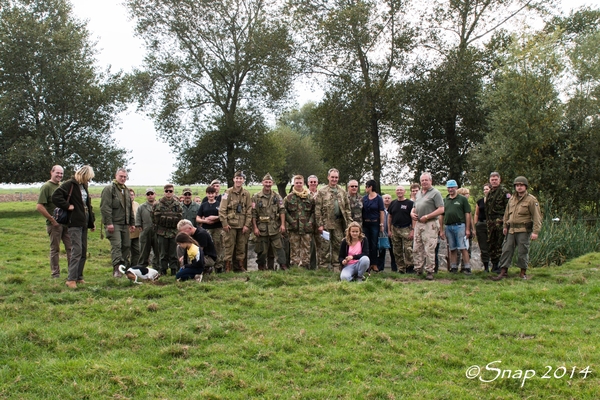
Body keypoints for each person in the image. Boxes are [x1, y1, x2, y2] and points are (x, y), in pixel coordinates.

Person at [52, 165, 96, 289]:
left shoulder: (84, 186)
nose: (89, 181)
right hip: (74, 222)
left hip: (84, 221)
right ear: (84, 175)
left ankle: (79, 277)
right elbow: (55, 197)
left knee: (83, 251)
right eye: (89, 178)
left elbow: (88, 205)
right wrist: (67, 206)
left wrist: (91, 222)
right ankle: (70, 279)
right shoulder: (69, 184)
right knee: (76, 250)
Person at [493, 176, 542, 280]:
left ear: (525, 186)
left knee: (522, 251)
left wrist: (535, 232)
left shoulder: (531, 200)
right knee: (506, 250)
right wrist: (505, 226)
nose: (519, 187)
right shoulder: (512, 199)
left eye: (521, 185)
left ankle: (523, 272)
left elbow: (537, 216)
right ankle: (503, 272)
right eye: (517, 185)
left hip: (523, 230)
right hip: (511, 229)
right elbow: (506, 214)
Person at [36, 165, 72, 278]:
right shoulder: (46, 187)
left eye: (61, 173)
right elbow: (39, 206)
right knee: (55, 249)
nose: (59, 175)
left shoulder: (62, 186)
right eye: (57, 173)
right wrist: (52, 220)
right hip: (54, 224)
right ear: (51, 172)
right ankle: (55, 274)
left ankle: (72, 273)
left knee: (71, 248)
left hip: (66, 223)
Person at [100, 168, 135, 277]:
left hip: (125, 224)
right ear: (116, 176)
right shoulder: (109, 189)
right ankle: (116, 269)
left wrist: (132, 223)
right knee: (117, 245)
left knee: (126, 245)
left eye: (125, 177)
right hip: (114, 223)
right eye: (121, 176)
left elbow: (129, 208)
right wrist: (109, 222)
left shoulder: (126, 190)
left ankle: (123, 267)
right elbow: (105, 207)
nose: (123, 178)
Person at [315, 168, 352, 270]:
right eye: (332, 177)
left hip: (338, 223)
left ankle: (337, 266)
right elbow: (317, 210)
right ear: (328, 177)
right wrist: (320, 224)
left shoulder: (342, 192)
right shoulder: (322, 192)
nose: (334, 179)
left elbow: (347, 209)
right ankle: (323, 267)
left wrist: (349, 223)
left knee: (339, 246)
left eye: (336, 177)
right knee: (324, 247)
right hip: (326, 223)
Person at [410, 172, 444, 281]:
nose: (424, 182)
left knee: (429, 248)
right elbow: (415, 206)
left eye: (426, 180)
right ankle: (418, 269)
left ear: (431, 181)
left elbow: (441, 209)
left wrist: (428, 216)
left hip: (430, 223)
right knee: (416, 247)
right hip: (419, 223)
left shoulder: (435, 193)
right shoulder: (419, 193)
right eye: (422, 180)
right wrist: (412, 213)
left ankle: (430, 271)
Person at [252, 173, 287, 270]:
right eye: (266, 182)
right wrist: (254, 227)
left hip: (274, 227)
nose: (268, 184)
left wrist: (283, 225)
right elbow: (253, 213)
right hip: (261, 228)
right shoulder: (256, 197)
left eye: (269, 182)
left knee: (279, 248)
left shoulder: (277, 196)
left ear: (272, 183)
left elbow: (282, 211)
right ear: (262, 183)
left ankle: (282, 266)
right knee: (262, 250)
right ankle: (261, 266)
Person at [219, 171, 252, 272]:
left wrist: (247, 225)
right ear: (233, 179)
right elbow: (222, 210)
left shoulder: (246, 194)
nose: (238, 180)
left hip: (242, 226)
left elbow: (249, 210)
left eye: (241, 179)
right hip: (230, 225)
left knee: (241, 247)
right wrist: (224, 224)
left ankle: (239, 266)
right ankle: (228, 267)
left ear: (243, 180)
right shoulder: (227, 193)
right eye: (237, 178)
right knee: (228, 246)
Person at [440, 180, 472, 274]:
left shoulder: (462, 199)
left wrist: (467, 229)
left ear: (456, 188)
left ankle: (467, 267)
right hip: (448, 227)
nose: (451, 189)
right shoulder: (445, 200)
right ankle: (453, 267)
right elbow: (441, 215)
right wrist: (441, 230)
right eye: (449, 188)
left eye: (452, 187)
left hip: (460, 226)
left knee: (463, 247)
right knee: (452, 248)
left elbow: (467, 214)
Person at [284, 175, 315, 268]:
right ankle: (294, 266)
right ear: (293, 183)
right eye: (297, 183)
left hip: (306, 228)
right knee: (294, 248)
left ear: (303, 183)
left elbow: (314, 212)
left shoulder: (309, 197)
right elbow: (283, 211)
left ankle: (305, 266)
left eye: (300, 183)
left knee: (306, 248)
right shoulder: (288, 198)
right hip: (294, 228)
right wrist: (291, 221)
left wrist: (310, 222)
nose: (298, 185)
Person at [153, 184, 183, 276]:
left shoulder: (177, 204)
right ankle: (163, 270)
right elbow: (153, 219)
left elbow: (181, 217)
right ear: (164, 192)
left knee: (173, 253)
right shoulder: (157, 204)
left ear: (173, 192)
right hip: (162, 232)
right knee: (163, 253)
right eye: (167, 191)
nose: (168, 193)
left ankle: (174, 270)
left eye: (170, 191)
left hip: (174, 232)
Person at [485, 172, 511, 273]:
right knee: (491, 244)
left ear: (499, 180)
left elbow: (508, 208)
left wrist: (506, 222)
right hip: (491, 222)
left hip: (500, 221)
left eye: (496, 179)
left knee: (500, 244)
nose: (494, 181)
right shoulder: (490, 193)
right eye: (492, 180)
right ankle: (494, 264)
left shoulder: (504, 192)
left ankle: (502, 265)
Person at [196, 186, 224, 272]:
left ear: (215, 194)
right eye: (209, 193)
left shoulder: (219, 204)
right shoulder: (203, 205)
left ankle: (219, 267)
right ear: (206, 194)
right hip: (206, 229)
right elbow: (197, 218)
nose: (210, 195)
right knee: (207, 247)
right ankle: (207, 266)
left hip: (217, 229)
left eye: (212, 193)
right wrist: (205, 221)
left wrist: (215, 217)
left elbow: (223, 216)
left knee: (218, 247)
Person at [387, 186, 414, 274]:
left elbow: (413, 217)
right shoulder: (393, 203)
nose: (399, 192)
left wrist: (412, 230)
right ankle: (401, 268)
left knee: (408, 250)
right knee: (397, 250)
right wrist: (389, 230)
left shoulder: (410, 203)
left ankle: (410, 267)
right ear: (395, 192)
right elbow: (390, 217)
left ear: (405, 192)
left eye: (401, 190)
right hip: (395, 228)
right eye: (397, 190)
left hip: (406, 228)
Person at [362, 180, 385, 272]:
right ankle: (367, 264)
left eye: (366, 186)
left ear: (370, 187)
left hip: (375, 223)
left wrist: (381, 224)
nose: (365, 188)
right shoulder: (364, 198)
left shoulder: (379, 198)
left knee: (374, 244)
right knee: (366, 244)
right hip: (365, 224)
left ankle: (374, 264)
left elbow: (381, 211)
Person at [136, 188, 159, 268]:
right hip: (145, 231)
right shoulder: (142, 207)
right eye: (148, 194)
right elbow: (138, 218)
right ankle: (142, 268)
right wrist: (139, 226)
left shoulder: (159, 205)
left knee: (158, 251)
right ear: (146, 196)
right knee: (144, 251)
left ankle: (157, 268)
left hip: (157, 232)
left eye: (151, 194)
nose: (150, 196)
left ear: (155, 194)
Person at [474, 183, 491, 272]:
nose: (485, 191)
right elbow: (476, 214)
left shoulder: (494, 201)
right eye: (484, 189)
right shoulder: (480, 201)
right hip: (481, 224)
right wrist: (476, 225)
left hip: (491, 224)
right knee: (483, 246)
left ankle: (496, 266)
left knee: (493, 245)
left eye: (487, 189)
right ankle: (486, 267)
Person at [378, 193, 396, 272]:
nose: (387, 199)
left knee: (393, 251)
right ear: (382, 200)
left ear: (391, 200)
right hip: (382, 232)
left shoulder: (393, 209)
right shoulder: (380, 209)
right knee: (381, 250)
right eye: (385, 198)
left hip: (391, 232)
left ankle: (394, 268)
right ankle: (380, 268)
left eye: (389, 198)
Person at [307, 174, 321, 269]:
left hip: (320, 223)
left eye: (314, 182)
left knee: (321, 245)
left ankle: (321, 266)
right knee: (309, 246)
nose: (313, 183)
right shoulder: (304, 194)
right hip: (308, 223)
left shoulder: (321, 193)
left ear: (317, 183)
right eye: (311, 182)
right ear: (308, 183)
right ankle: (311, 266)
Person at [129, 189, 141, 268]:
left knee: (137, 251)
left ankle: (134, 267)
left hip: (136, 233)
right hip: (127, 233)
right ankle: (125, 267)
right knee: (126, 252)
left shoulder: (137, 204)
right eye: (129, 195)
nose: (131, 196)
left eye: (132, 195)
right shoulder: (123, 205)